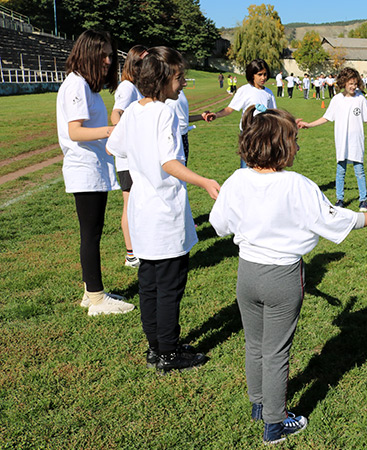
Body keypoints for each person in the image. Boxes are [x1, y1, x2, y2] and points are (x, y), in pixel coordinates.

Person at [209, 106, 367, 446]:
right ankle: (275, 425)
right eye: (294, 140)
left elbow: (219, 225)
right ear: (280, 146)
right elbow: (335, 220)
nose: (298, 147)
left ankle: (258, 404)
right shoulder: (298, 185)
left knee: (255, 344)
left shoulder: (237, 181)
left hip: (247, 275)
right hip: (283, 278)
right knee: (277, 351)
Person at [106, 46, 220, 372]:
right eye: (180, 77)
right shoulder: (164, 112)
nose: (183, 84)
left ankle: (156, 346)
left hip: (142, 211)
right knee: (169, 286)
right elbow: (168, 162)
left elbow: (114, 145)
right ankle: (169, 353)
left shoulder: (133, 111)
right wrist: (204, 181)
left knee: (149, 284)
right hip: (163, 212)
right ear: (164, 79)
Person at [56, 29, 135, 316]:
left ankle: (91, 292)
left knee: (93, 232)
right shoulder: (76, 84)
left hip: (93, 167)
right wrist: (113, 131)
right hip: (84, 168)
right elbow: (75, 131)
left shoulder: (85, 86)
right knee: (90, 234)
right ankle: (97, 298)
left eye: (110, 56)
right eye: (102, 55)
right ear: (87, 53)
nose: (107, 61)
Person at [298, 68, 367, 212]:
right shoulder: (337, 99)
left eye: (355, 84)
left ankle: (363, 200)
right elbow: (326, 117)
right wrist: (309, 124)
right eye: (350, 83)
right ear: (343, 83)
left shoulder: (361, 99)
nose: (353, 87)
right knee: (340, 171)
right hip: (341, 141)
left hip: (356, 141)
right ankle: (340, 199)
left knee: (359, 171)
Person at [110, 44, 147, 269]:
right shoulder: (127, 87)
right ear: (134, 63)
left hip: (137, 157)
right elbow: (116, 114)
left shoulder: (137, 87)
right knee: (129, 204)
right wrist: (125, 135)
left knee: (137, 203)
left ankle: (138, 249)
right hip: (127, 160)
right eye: (143, 61)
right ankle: (131, 254)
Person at [211, 60, 277, 168]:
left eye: (265, 74)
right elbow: (229, 109)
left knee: (263, 167)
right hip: (248, 134)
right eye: (259, 74)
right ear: (252, 75)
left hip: (264, 134)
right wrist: (216, 115)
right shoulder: (245, 90)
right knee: (247, 168)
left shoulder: (268, 93)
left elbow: (274, 114)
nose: (263, 77)